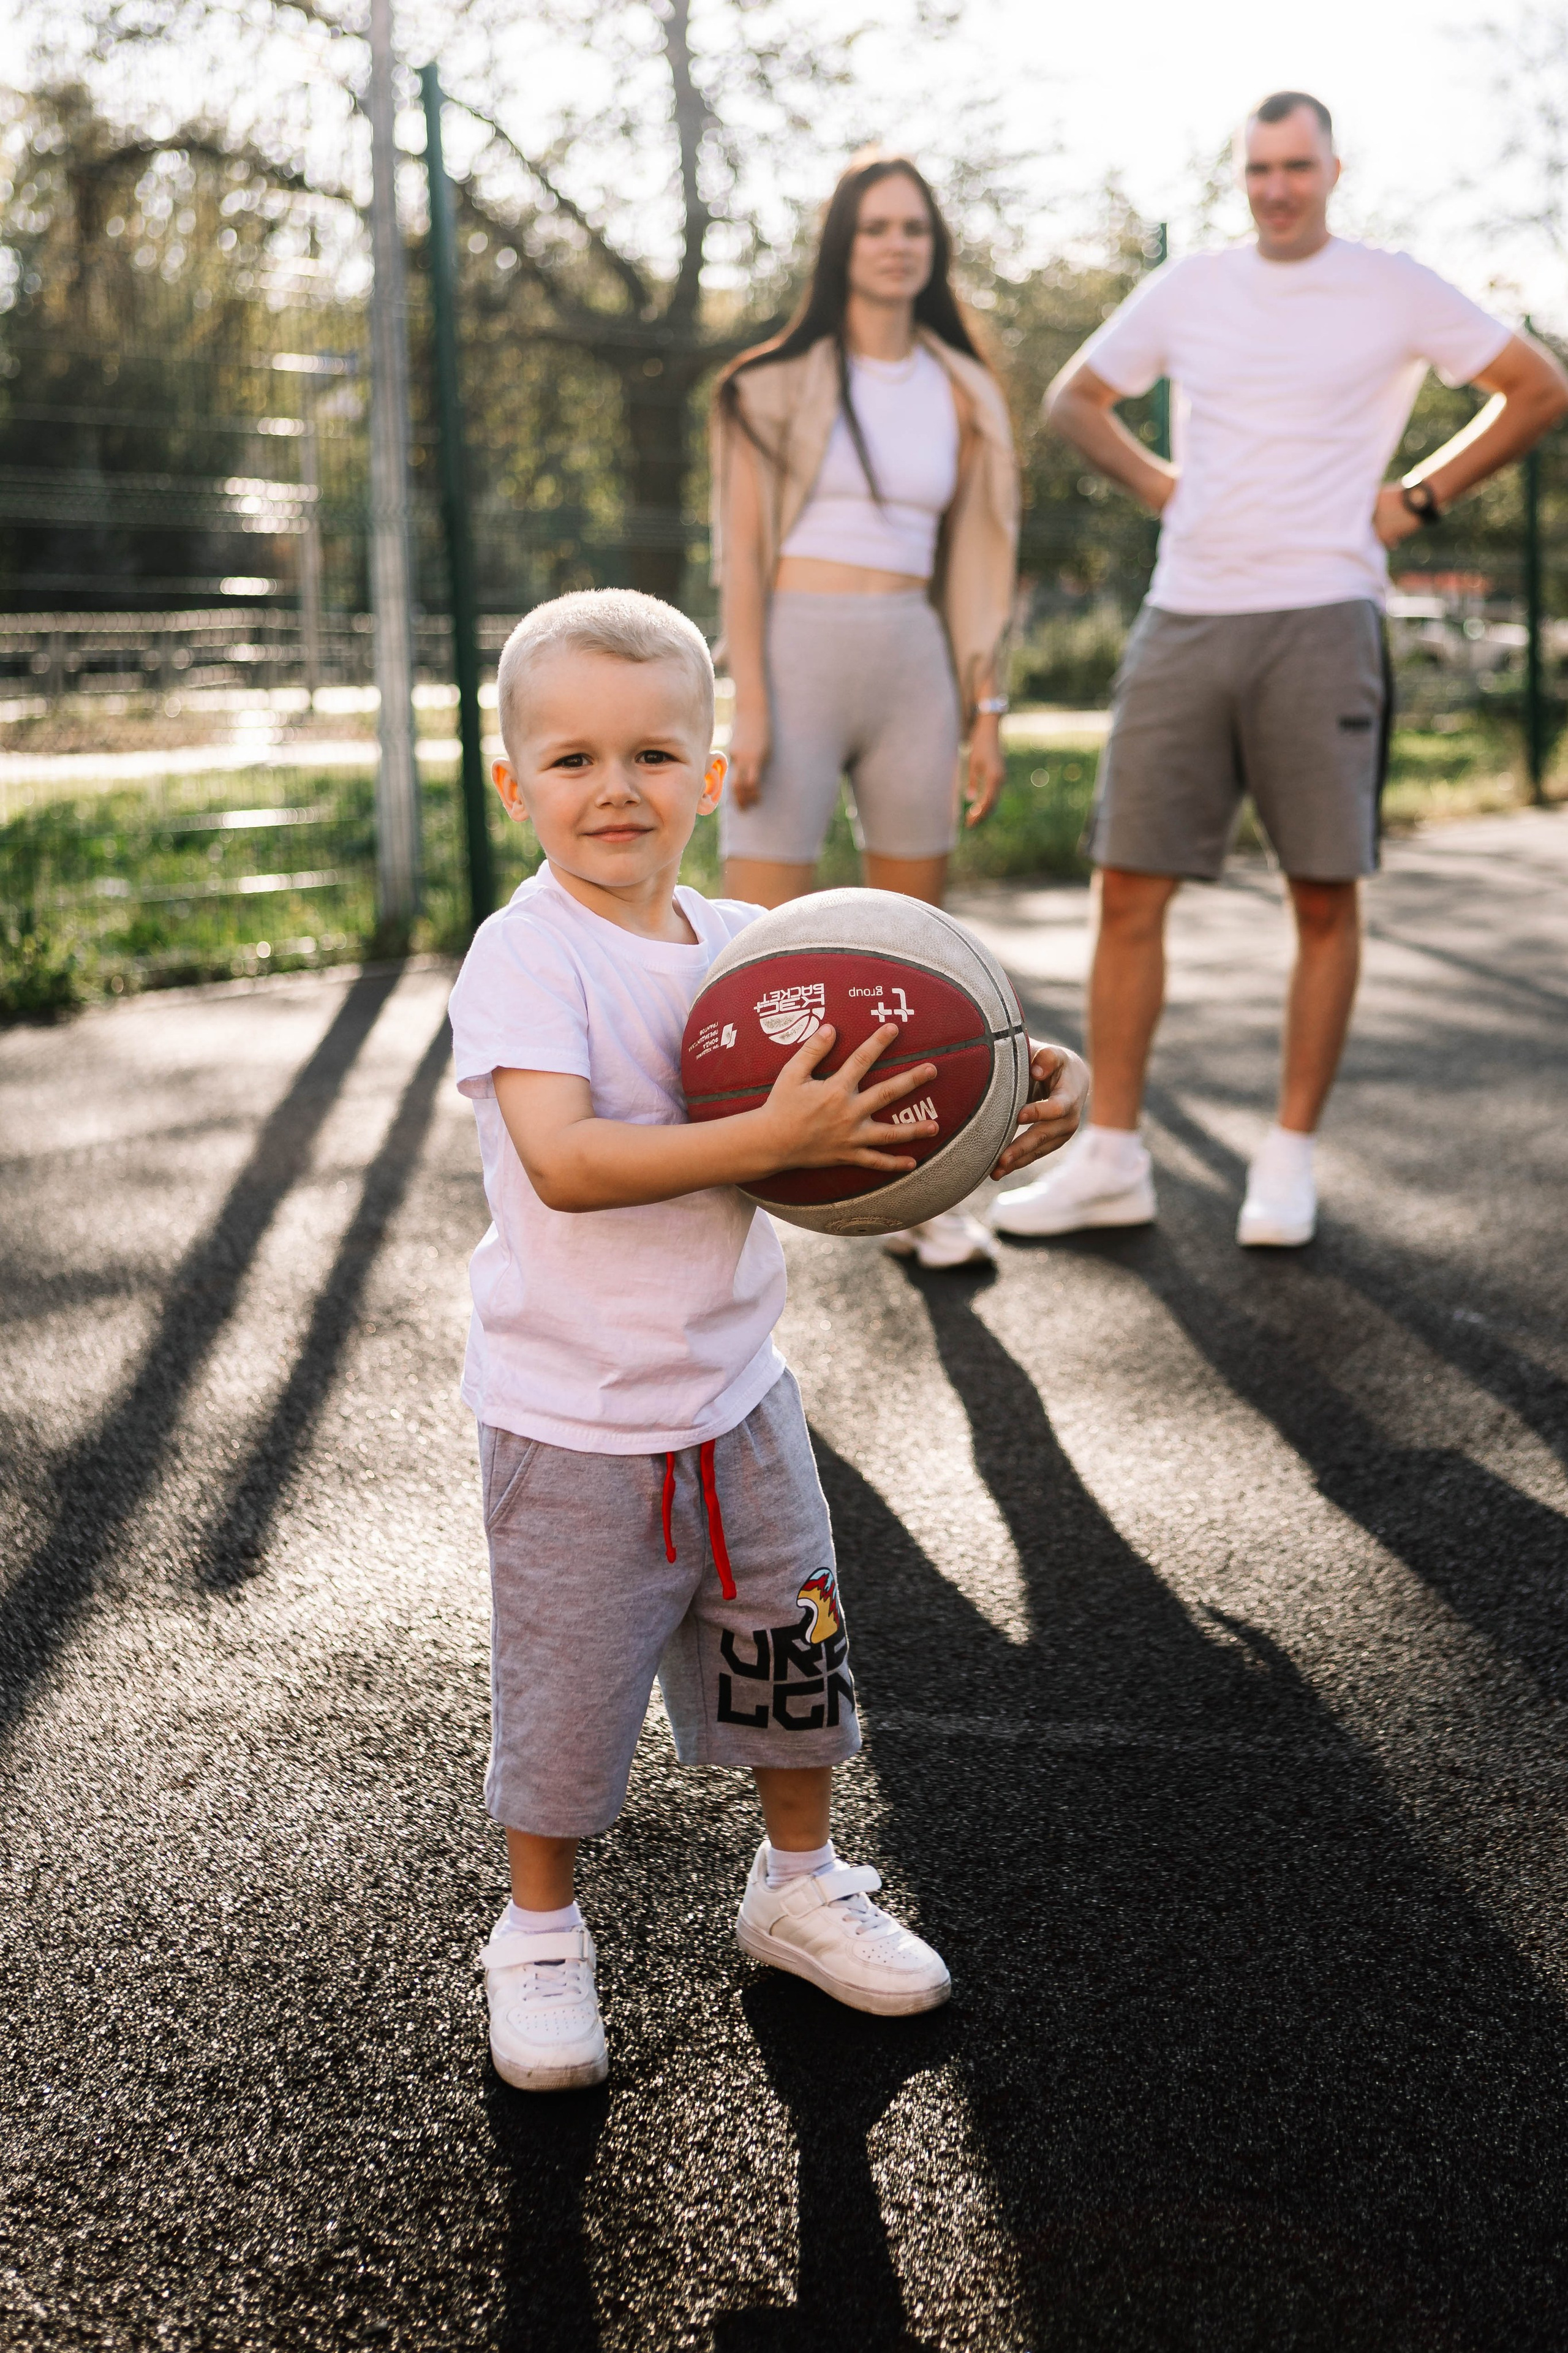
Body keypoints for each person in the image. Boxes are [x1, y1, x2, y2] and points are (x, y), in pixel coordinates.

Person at [447, 588, 1088, 2092]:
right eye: (572, 759)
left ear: (716, 772)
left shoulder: (760, 950)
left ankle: (797, 1884)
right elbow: (568, 1160)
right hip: (571, 1417)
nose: (615, 789)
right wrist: (760, 1129)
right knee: (564, 1689)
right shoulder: (523, 954)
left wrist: (1012, 1093)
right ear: (511, 783)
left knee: (790, 1652)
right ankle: (538, 1929)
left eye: (656, 754)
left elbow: (890, 1103)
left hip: (738, 1397)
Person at [993, 90, 1568, 1251]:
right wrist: (1166, 488)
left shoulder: (1393, 283)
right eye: (1258, 169)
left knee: (1321, 893)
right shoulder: (1194, 286)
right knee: (1129, 888)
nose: (1276, 189)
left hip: (1326, 613)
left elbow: (1540, 386)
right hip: (1187, 615)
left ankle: (1289, 1159)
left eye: (1296, 167)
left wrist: (1418, 499)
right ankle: (1109, 1157)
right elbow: (1074, 399)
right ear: (1242, 174)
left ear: (1334, 171)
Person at [710, 150, 1022, 1271]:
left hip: (912, 663)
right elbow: (739, 561)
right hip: (793, 652)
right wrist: (743, 700)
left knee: (917, 958)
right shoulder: (766, 384)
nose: (900, 244)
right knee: (753, 960)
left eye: (917, 229)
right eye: (878, 226)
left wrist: (986, 705)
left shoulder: (965, 389)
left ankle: (924, 1195)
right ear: (843, 242)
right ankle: (736, 1203)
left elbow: (983, 561)